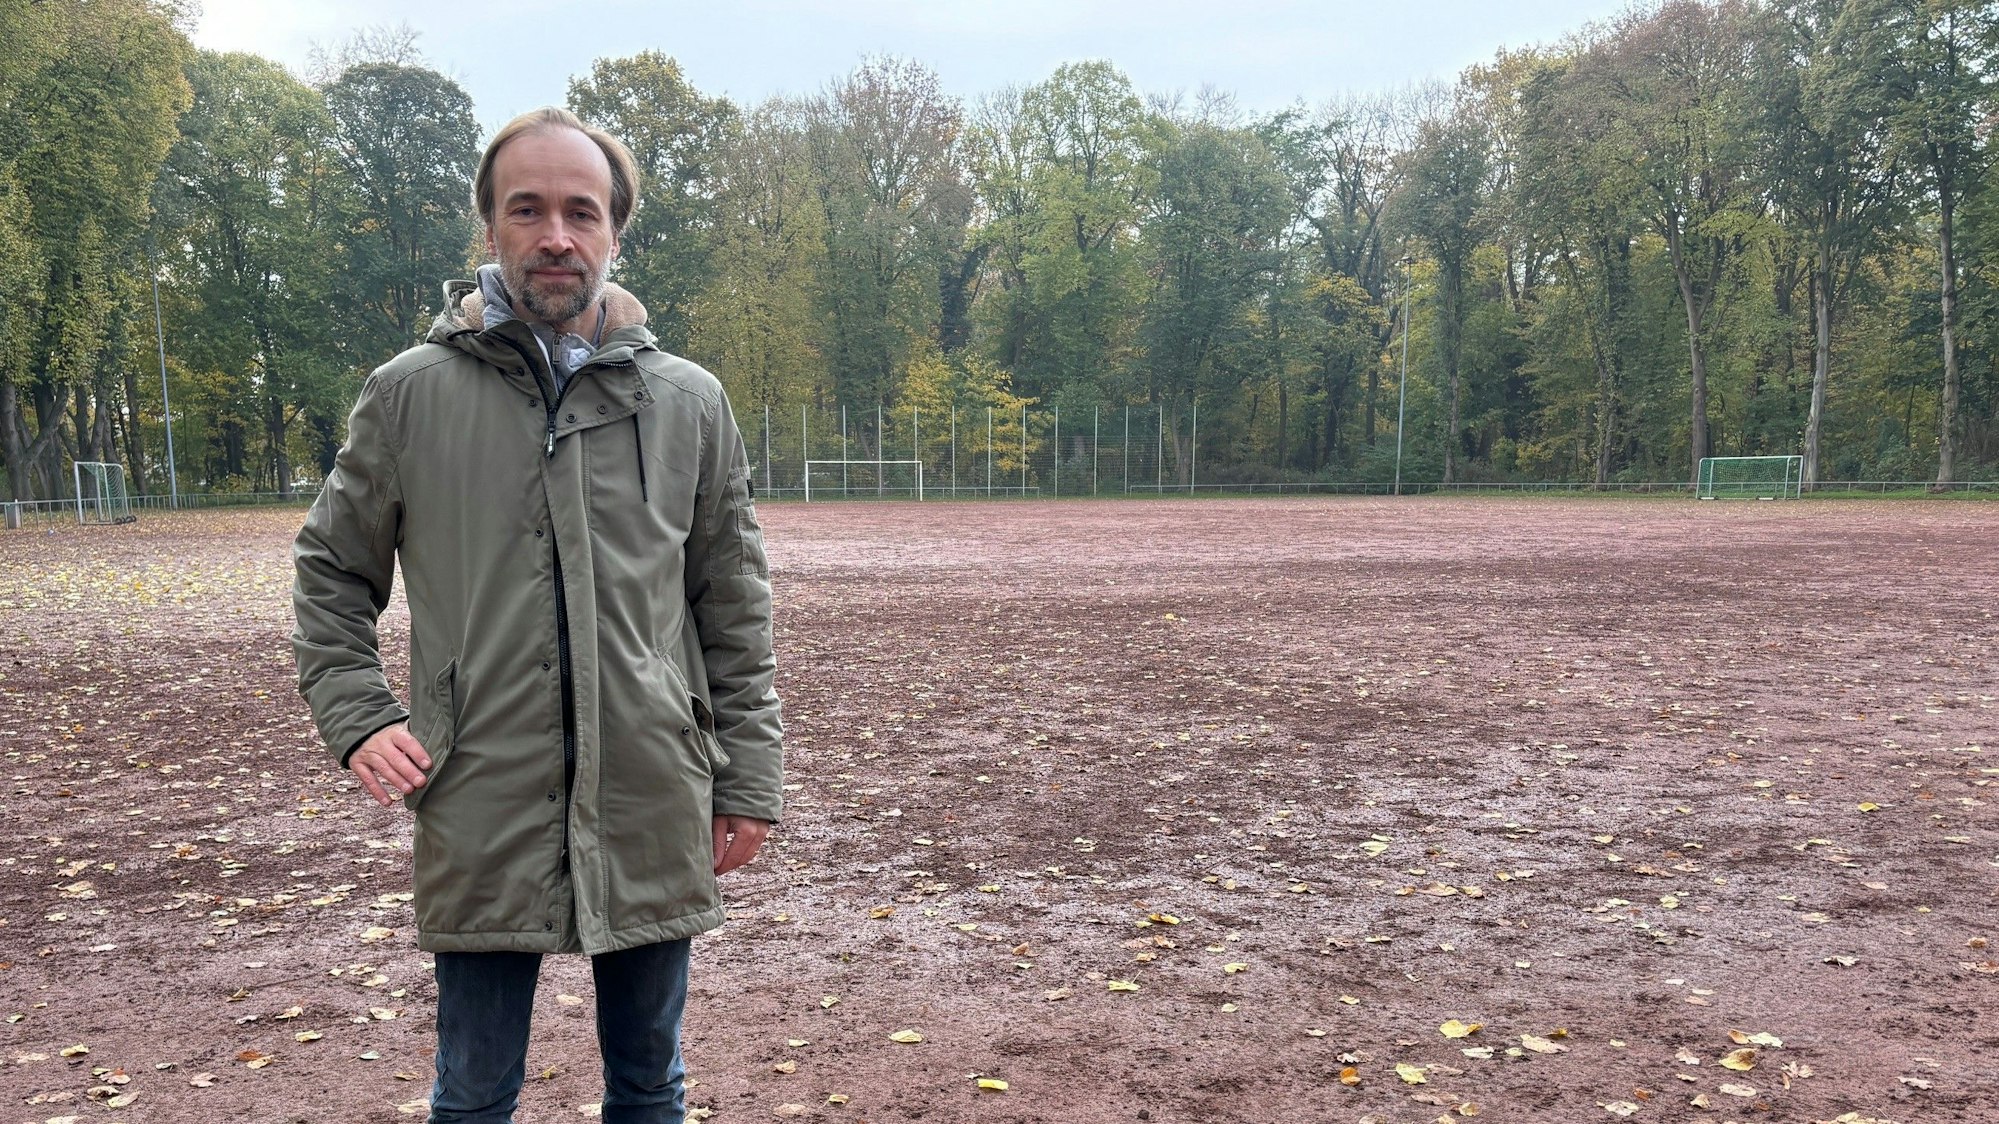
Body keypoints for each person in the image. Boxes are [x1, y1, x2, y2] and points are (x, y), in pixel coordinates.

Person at [291, 106, 784, 1124]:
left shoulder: (690, 402)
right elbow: (332, 570)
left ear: (613, 232)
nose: (555, 234)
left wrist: (747, 770)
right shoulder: (407, 395)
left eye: (580, 210)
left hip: (653, 787)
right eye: (528, 209)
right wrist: (361, 715)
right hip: (477, 790)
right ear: (489, 227)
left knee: (651, 1085)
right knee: (473, 1094)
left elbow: (730, 600)